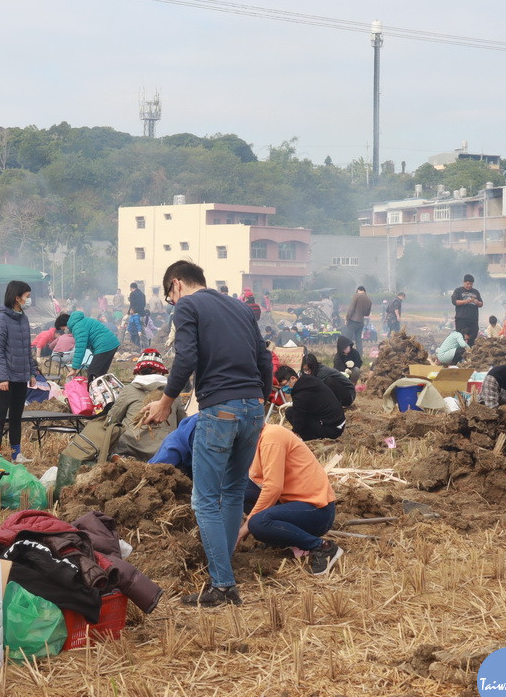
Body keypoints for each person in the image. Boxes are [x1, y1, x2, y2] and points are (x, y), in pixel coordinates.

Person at [138, 260, 270, 608]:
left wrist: (166, 403)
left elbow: (186, 358)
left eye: (169, 296)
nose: (172, 303)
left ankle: (223, 585)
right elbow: (264, 358)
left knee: (205, 499)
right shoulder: (240, 307)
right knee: (233, 490)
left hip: (220, 409)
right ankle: (224, 572)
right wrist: (262, 396)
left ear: (176, 284)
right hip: (253, 409)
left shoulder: (188, 306)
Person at [239, 424, 342, 576]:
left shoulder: (271, 438)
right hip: (293, 504)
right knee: (241, 490)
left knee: (258, 523)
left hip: (317, 511)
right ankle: (284, 538)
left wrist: (245, 527)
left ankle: (322, 547)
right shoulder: (253, 441)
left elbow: (273, 488)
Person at [104, 350, 186, 461]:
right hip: (163, 452)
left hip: (129, 450)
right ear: (161, 372)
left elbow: (112, 419)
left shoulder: (129, 390)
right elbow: (183, 423)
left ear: (139, 372)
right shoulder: (172, 395)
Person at [0, 281, 38, 464]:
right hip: (5, 377)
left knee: (16, 417)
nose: (29, 299)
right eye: (27, 296)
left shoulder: (23, 317)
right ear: (17, 297)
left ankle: (16, 454)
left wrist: (32, 373)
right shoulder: (1, 318)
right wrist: (2, 377)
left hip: (21, 376)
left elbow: (27, 349)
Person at [275, 364, 346, 441]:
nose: (284, 389)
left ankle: (309, 438)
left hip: (332, 429)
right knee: (293, 411)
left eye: (284, 385)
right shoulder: (307, 379)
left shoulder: (301, 395)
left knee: (290, 413)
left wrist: (293, 434)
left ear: (293, 378)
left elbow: (298, 421)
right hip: (339, 422)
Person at [56, 310, 120, 380]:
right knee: (101, 373)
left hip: (104, 345)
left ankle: (92, 390)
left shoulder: (77, 327)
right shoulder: (82, 321)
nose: (66, 331)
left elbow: (80, 348)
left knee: (92, 372)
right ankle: (103, 389)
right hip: (112, 343)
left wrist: (74, 368)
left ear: (65, 325)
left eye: (64, 329)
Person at [451, 274, 483, 344]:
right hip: (461, 319)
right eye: (468, 284)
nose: (469, 286)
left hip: (473, 319)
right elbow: (455, 302)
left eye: (471, 284)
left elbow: (481, 304)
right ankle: (460, 352)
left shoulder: (475, 292)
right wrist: (466, 301)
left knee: (473, 336)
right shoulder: (458, 291)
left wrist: (477, 302)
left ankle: (470, 350)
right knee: (460, 336)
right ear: (464, 282)